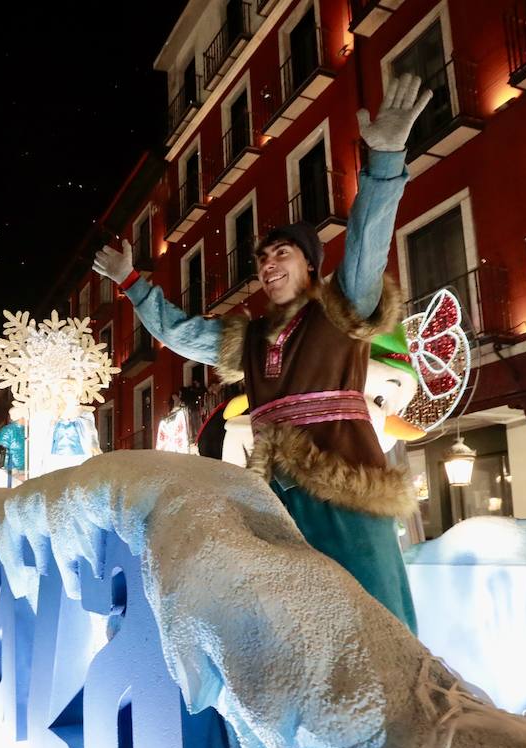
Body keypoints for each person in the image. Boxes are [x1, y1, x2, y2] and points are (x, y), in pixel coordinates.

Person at [92, 74, 432, 633]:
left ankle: (401, 708)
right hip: (275, 491)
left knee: (376, 617)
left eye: (283, 254)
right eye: (263, 259)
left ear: (310, 266)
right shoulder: (249, 339)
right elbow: (180, 334)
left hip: (345, 483)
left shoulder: (340, 308)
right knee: (292, 619)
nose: (269, 265)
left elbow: (369, 243)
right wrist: (131, 281)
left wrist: (386, 159)